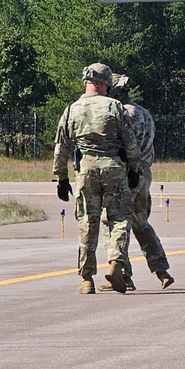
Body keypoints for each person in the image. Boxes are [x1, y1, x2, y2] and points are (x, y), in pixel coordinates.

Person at [52, 63, 142, 294]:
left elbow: (61, 146)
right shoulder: (115, 106)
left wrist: (61, 178)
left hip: (86, 169)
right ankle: (115, 261)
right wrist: (134, 169)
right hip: (113, 167)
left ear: (86, 82)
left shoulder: (72, 109)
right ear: (104, 84)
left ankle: (87, 279)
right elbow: (130, 143)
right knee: (120, 219)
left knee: (87, 222)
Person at [103, 73, 175, 291]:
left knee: (115, 222)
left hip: (128, 174)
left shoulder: (124, 114)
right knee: (141, 223)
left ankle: (123, 274)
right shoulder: (144, 112)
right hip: (144, 173)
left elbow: (125, 146)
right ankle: (161, 269)